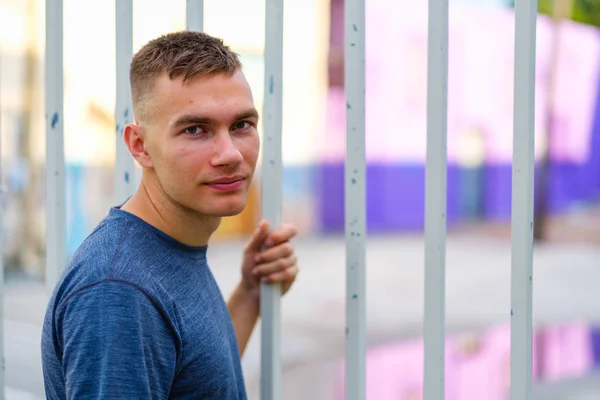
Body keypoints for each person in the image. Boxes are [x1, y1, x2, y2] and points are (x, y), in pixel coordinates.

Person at [41, 31, 299, 399]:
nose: (230, 154)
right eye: (196, 129)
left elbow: (196, 383)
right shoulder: (119, 291)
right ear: (140, 146)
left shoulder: (172, 248)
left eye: (242, 125)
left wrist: (250, 295)